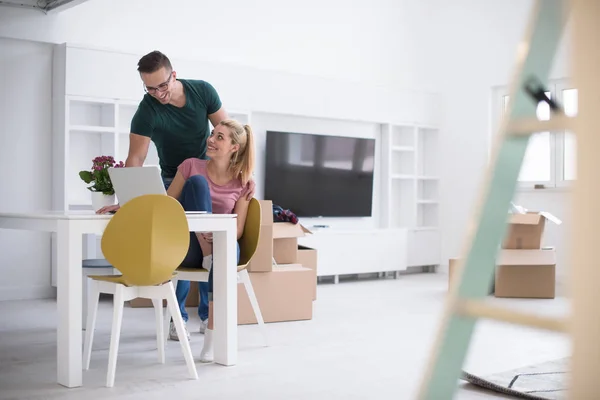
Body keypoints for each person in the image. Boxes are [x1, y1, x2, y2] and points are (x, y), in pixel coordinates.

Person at [97, 50, 254, 335]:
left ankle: (210, 317)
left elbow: (231, 136)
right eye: (150, 88)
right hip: (176, 177)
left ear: (174, 75)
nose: (158, 93)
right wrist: (128, 201)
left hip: (209, 172)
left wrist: (243, 175)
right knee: (180, 239)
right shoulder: (148, 110)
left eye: (162, 85)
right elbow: (136, 159)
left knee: (208, 234)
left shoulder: (202, 91)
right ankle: (177, 316)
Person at [165, 118, 255, 362]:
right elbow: (166, 206)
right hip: (191, 246)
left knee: (225, 252)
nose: (211, 140)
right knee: (197, 184)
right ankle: (209, 254)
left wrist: (215, 238)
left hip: (223, 244)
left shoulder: (242, 182)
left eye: (219, 137)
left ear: (234, 148)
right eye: (212, 134)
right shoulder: (191, 167)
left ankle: (212, 336)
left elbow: (237, 229)